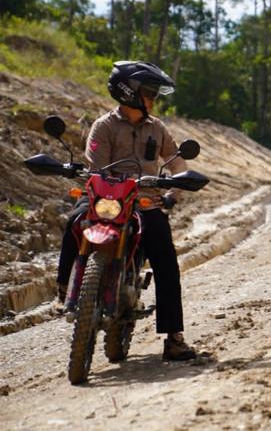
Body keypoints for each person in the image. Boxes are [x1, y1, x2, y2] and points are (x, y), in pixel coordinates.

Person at [55, 61, 197, 361]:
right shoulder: (103, 126)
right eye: (149, 93)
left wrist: (174, 190)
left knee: (166, 260)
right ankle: (63, 289)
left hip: (144, 202)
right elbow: (95, 168)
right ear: (130, 92)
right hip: (105, 198)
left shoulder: (157, 128)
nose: (153, 99)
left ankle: (174, 337)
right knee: (73, 222)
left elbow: (176, 163)